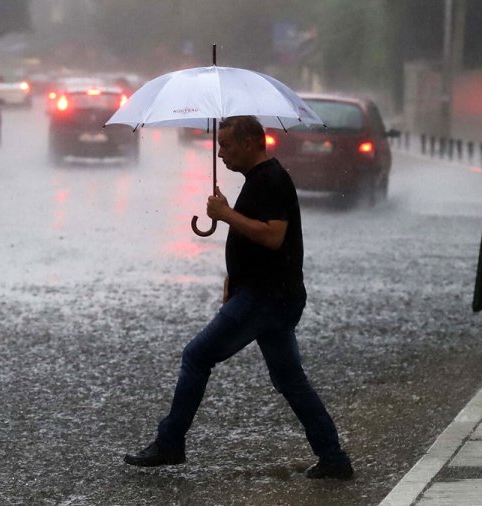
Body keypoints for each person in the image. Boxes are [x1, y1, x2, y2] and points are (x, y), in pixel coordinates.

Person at [123, 115, 353, 480]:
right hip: (267, 293)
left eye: (226, 145)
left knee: (196, 356)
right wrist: (235, 275)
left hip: (266, 297)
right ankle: (334, 458)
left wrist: (227, 214)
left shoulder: (272, 180)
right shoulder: (258, 180)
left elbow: (274, 236)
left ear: (249, 143)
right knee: (290, 379)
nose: (220, 153)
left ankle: (170, 442)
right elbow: (255, 240)